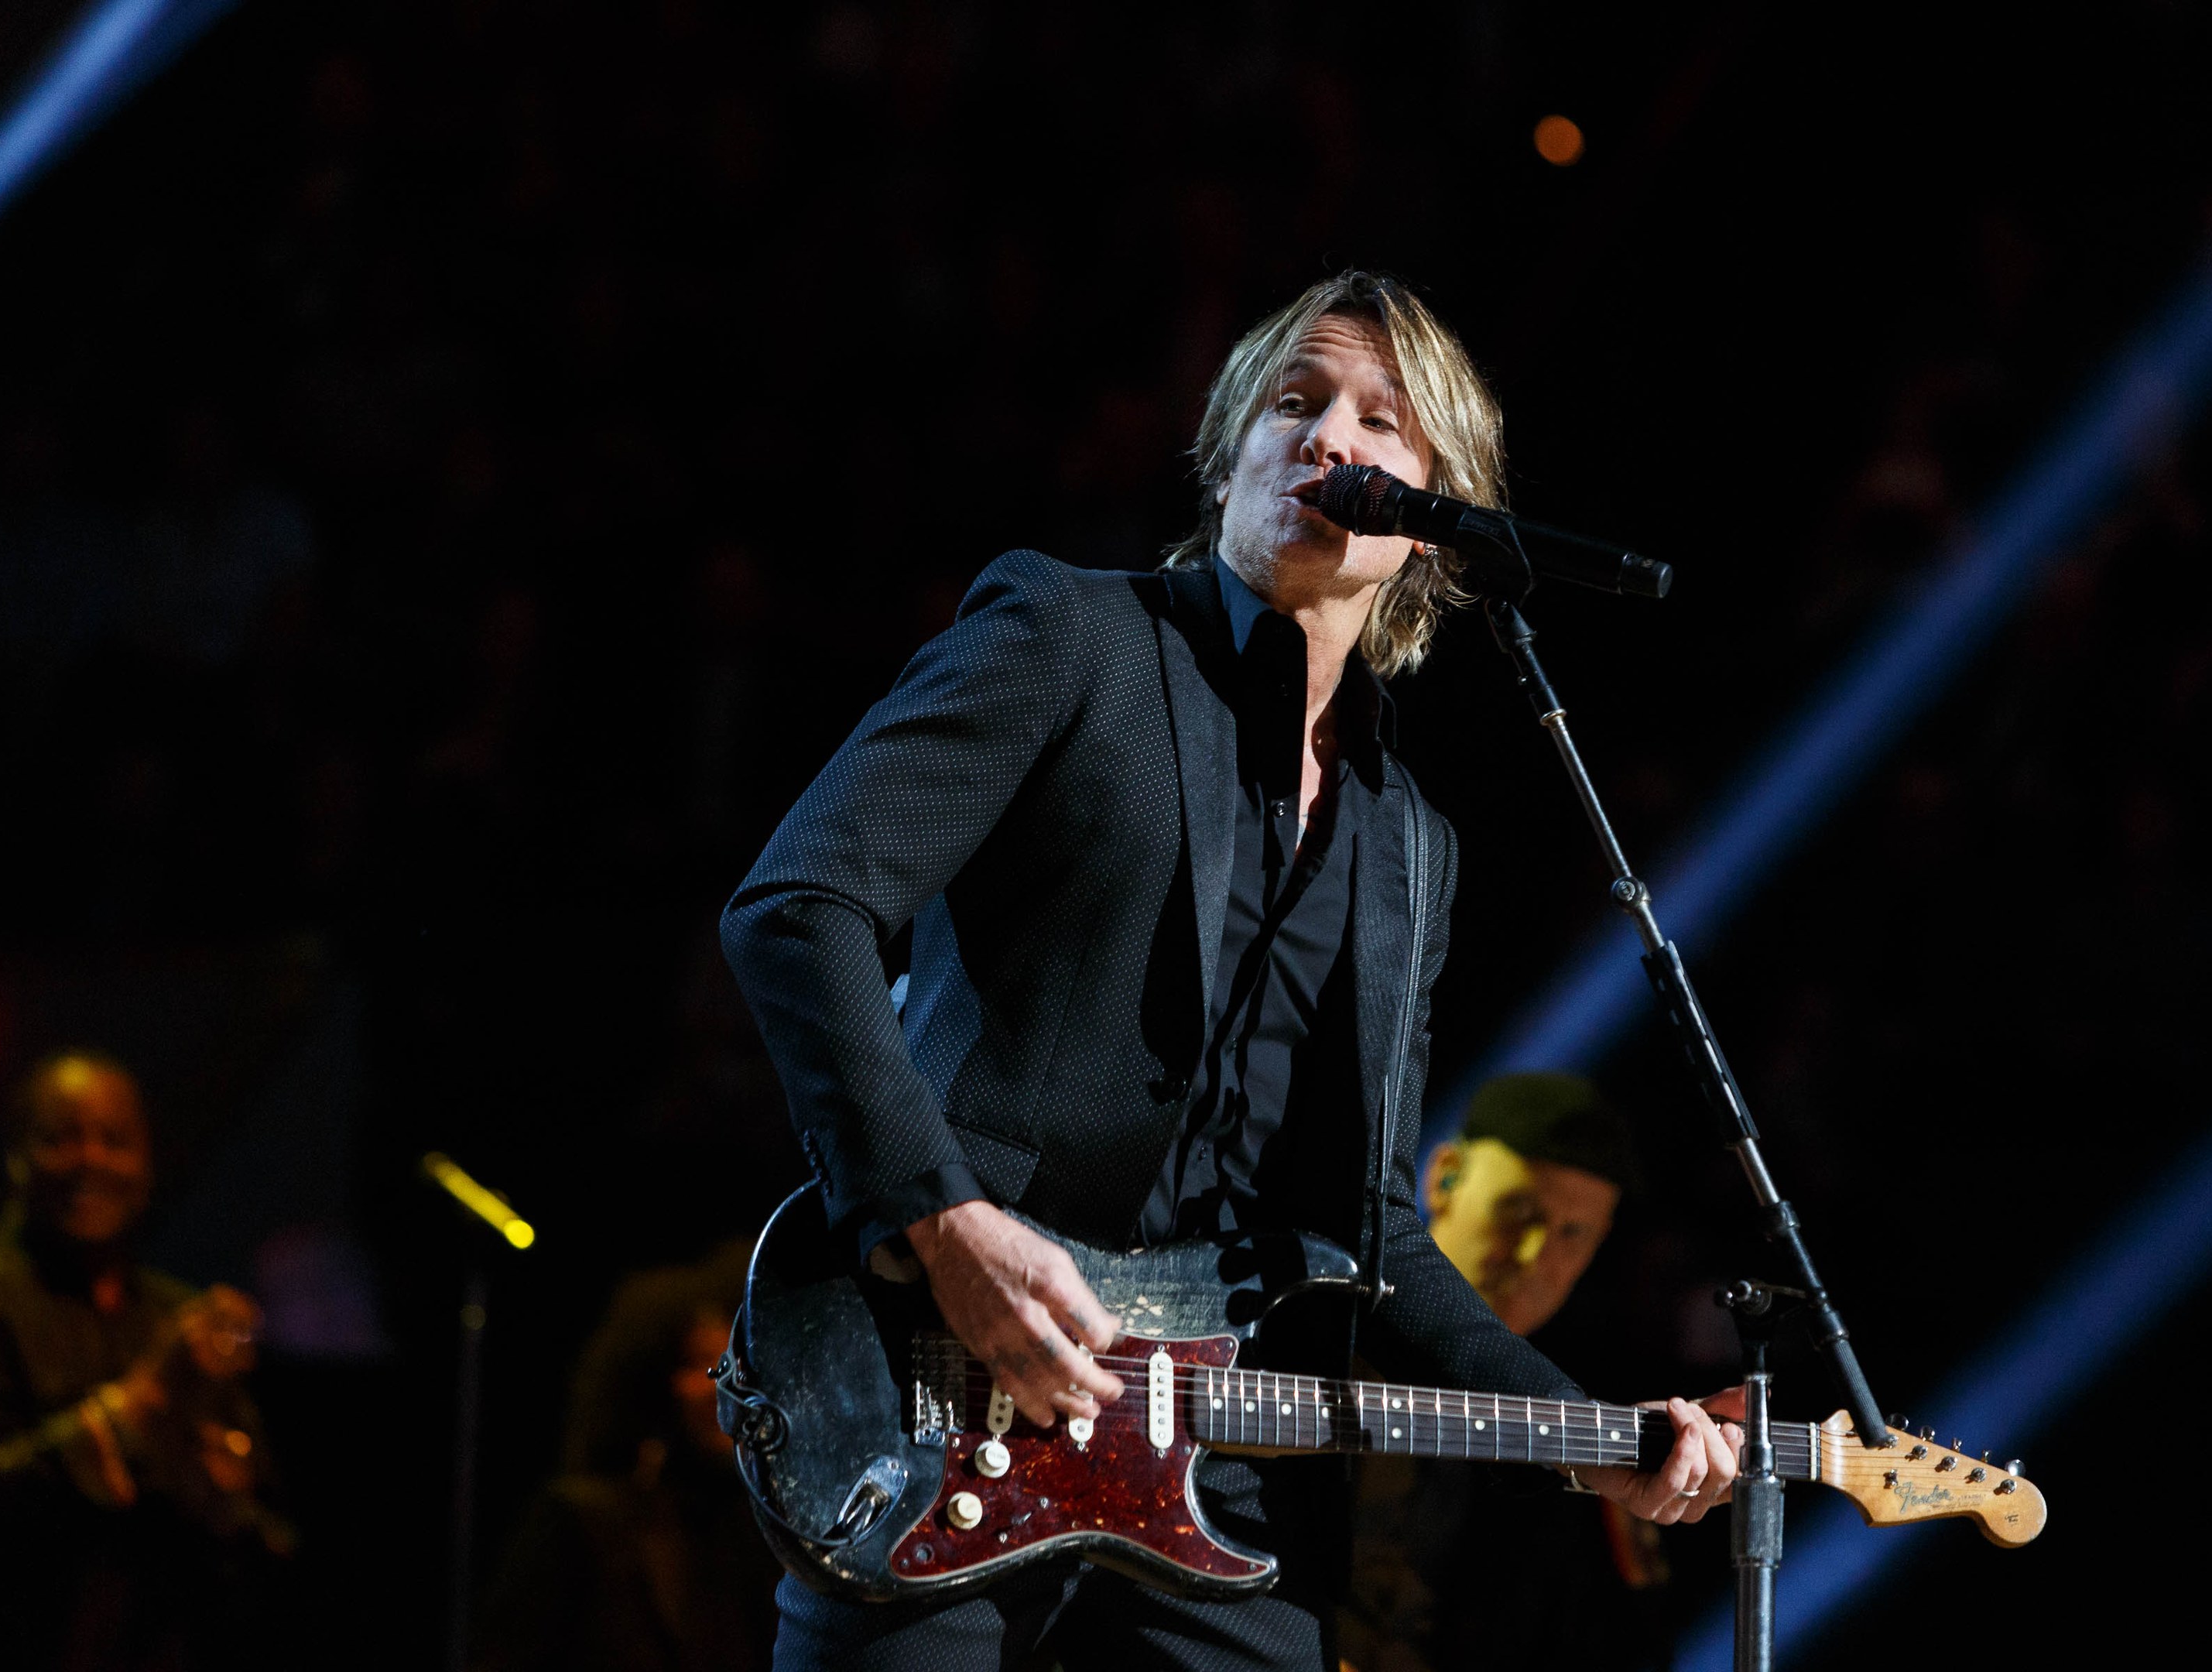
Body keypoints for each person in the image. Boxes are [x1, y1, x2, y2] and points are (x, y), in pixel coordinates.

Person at [721, 269, 1741, 1672]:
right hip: (933, 1407)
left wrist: (1594, 1437)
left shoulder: (1412, 844)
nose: (1331, 436)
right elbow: (799, 901)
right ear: (1227, 457)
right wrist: (943, 1225)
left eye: (1383, 421)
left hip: (1206, 1491)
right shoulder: (1070, 639)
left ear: (1435, 522)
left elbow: (1374, 1229)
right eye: (1295, 401)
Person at [1343, 1072, 1673, 1672]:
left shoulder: (1582, 1437)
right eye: (1518, 1211)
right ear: (1443, 1178)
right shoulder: (1311, 1339)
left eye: (1572, 1235)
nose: (1533, 1257)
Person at [0, 1052, 293, 1670]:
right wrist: (142, 1405)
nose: (90, 1159)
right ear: (17, 1156)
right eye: (61, 1138)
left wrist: (223, 1488)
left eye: (114, 1141)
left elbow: (270, 1545)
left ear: (147, 1165)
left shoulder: (174, 1315)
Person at [474, 1242, 777, 1672]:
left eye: (739, 1369)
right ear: (654, 1377)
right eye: (705, 1367)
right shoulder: (584, 1522)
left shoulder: (767, 1535)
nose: (725, 1390)